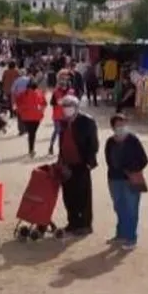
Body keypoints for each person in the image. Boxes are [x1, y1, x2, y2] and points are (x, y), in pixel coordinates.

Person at [104, 114, 148, 250]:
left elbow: (144, 160)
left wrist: (131, 170)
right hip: (114, 179)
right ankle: (121, 234)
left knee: (131, 209)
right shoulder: (110, 142)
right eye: (118, 125)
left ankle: (131, 238)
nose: (121, 128)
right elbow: (108, 159)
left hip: (130, 179)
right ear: (113, 127)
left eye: (123, 124)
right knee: (119, 207)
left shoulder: (133, 140)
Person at [57, 95, 99, 235]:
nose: (66, 109)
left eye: (69, 106)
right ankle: (73, 223)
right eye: (64, 106)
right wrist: (60, 160)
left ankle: (85, 224)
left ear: (76, 107)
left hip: (81, 163)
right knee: (69, 195)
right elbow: (61, 142)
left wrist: (89, 162)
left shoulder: (87, 121)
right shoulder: (63, 122)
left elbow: (93, 144)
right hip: (66, 164)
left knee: (83, 195)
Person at [16, 80, 47, 158]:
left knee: (31, 133)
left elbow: (17, 104)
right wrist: (41, 112)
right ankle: (31, 149)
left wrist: (21, 112)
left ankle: (31, 149)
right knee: (33, 133)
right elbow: (44, 104)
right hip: (36, 116)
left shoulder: (22, 94)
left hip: (25, 116)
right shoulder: (39, 93)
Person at [49, 76, 75, 155]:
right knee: (57, 131)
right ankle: (51, 146)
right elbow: (51, 103)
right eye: (62, 85)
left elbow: (75, 103)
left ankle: (64, 149)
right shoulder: (56, 92)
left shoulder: (71, 92)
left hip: (67, 116)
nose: (63, 87)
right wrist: (57, 103)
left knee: (67, 133)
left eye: (65, 85)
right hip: (57, 116)